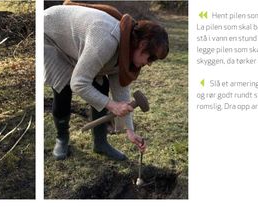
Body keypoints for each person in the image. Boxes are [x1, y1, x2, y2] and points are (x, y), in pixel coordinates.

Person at [44, 1, 169, 160]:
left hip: (79, 42)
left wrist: (130, 131)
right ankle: (61, 138)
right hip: (50, 35)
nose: (150, 64)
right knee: (64, 89)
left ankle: (100, 143)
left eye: (154, 60)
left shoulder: (127, 48)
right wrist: (112, 105)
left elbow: (121, 90)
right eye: (150, 57)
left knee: (100, 87)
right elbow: (78, 83)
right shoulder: (107, 40)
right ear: (142, 44)